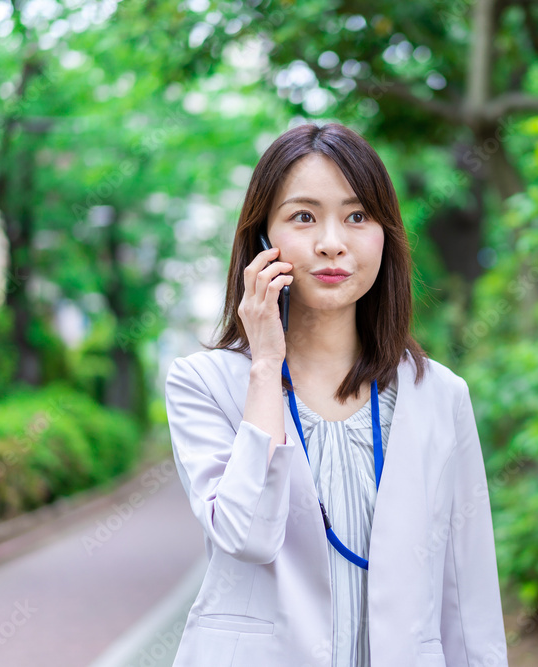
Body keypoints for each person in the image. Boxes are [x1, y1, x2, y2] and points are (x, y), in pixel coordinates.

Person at [164, 122, 509, 667]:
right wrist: (265, 366)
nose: (331, 242)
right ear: (262, 240)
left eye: (357, 216)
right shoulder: (204, 384)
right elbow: (246, 536)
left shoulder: (439, 395)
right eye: (303, 217)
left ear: (385, 235)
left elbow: (468, 595)